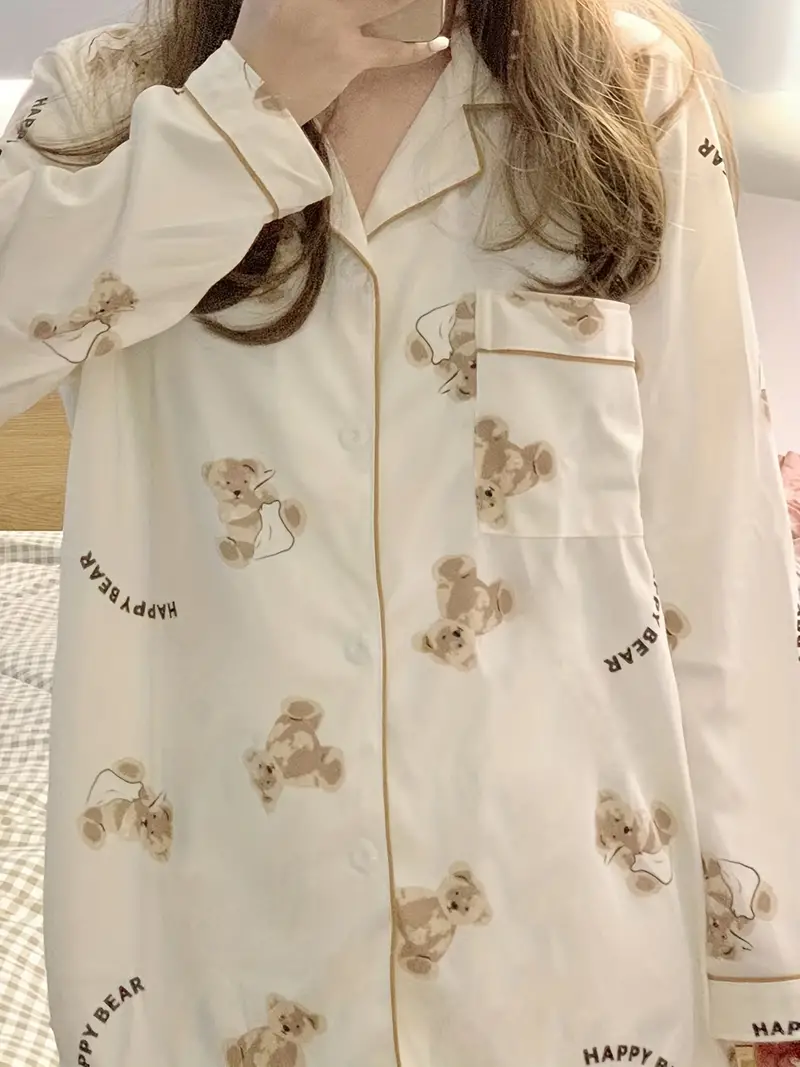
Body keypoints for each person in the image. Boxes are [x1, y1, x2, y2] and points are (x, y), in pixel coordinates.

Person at [0, 0, 797, 1064]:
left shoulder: (633, 94)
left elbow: (715, 537)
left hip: (568, 946)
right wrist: (244, 111)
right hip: (220, 938)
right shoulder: (105, 100)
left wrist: (764, 976)